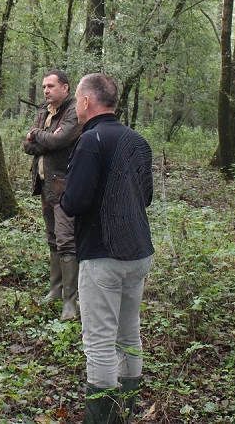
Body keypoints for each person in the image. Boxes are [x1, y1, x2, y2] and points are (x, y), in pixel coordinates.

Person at [60, 73, 154, 424]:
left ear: (86, 101)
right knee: (129, 334)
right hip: (139, 252)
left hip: (103, 255)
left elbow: (75, 201)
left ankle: (101, 418)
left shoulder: (90, 141)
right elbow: (146, 196)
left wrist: (65, 192)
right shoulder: (138, 141)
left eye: (78, 100)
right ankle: (126, 412)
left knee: (99, 341)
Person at [23, 69, 82, 320]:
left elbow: (59, 141)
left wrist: (36, 134)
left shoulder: (73, 112)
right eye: (44, 87)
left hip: (64, 186)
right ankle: (55, 291)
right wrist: (41, 138)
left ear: (65, 88)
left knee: (66, 239)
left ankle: (71, 301)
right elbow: (27, 147)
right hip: (45, 185)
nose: (46, 91)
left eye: (51, 86)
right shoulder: (44, 112)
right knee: (52, 238)